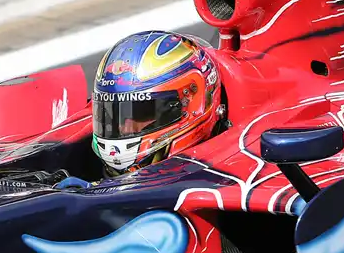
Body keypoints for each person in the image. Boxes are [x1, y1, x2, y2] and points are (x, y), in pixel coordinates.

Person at [57, 30, 228, 188]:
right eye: (114, 116)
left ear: (189, 105)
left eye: (141, 114)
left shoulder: (225, 181)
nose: (124, 128)